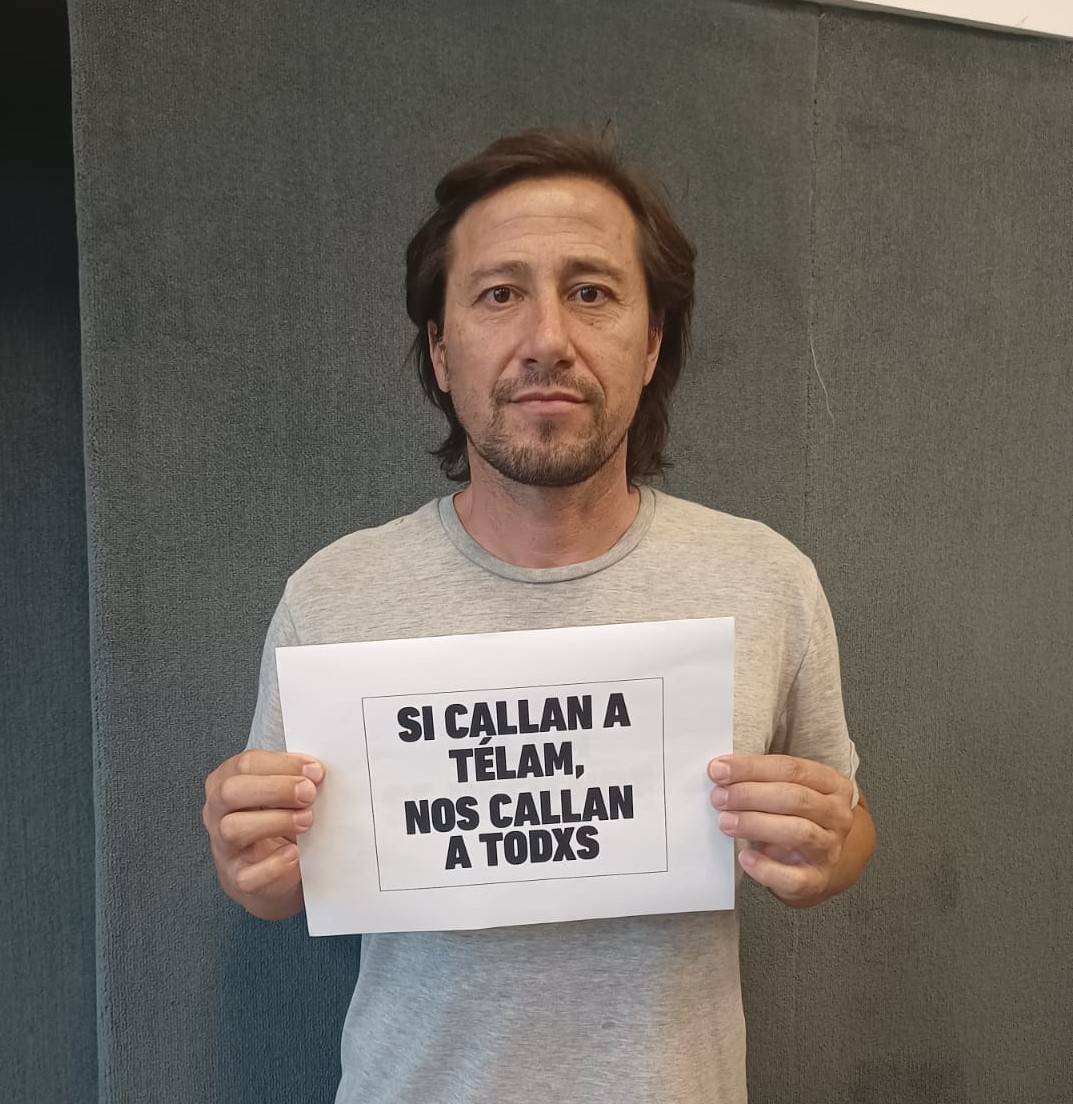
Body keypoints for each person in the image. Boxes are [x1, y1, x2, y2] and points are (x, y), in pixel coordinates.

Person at [202, 127, 875, 1104]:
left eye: (591, 292)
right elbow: (278, 880)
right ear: (441, 350)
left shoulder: (764, 578)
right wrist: (250, 868)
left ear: (651, 344)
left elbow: (844, 822)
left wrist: (827, 851)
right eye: (498, 294)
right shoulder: (332, 594)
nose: (547, 338)